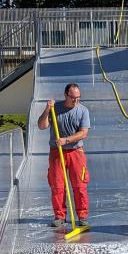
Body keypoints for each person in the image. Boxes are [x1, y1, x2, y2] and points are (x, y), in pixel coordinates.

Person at [36, 83, 91, 228]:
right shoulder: (56, 109)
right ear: (66, 95)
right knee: (57, 185)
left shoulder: (83, 111)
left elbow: (84, 133)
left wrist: (66, 140)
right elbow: (42, 126)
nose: (76, 101)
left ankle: (82, 216)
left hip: (76, 152)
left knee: (80, 185)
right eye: (73, 98)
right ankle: (60, 216)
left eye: (78, 98)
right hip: (56, 152)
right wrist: (47, 109)